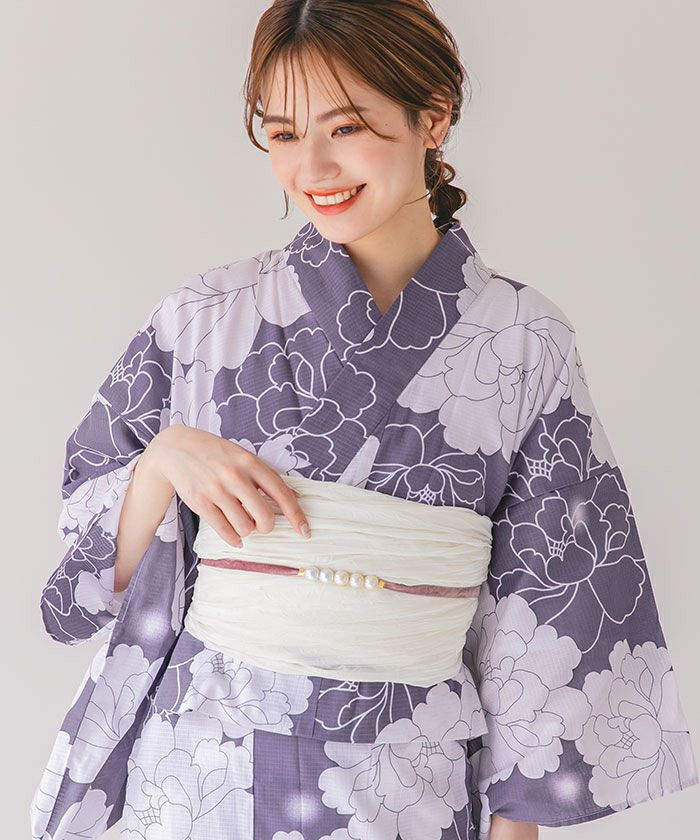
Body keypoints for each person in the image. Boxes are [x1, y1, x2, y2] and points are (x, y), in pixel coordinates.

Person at [30, 1, 698, 839]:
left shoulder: (526, 342)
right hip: (201, 768)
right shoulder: (202, 318)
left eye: (346, 127)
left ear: (433, 116)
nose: (312, 166)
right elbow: (85, 571)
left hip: (407, 780)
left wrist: (513, 826)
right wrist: (161, 463)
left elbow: (553, 602)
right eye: (282, 134)